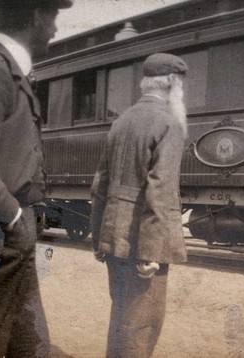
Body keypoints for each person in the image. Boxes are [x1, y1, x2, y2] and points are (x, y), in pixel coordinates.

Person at [0, 0, 72, 356]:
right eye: (54, 17)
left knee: (30, 344)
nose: (56, 29)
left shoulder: (11, 71)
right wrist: (11, 214)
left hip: (10, 236)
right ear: (37, 16)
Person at [90, 53, 189, 357]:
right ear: (172, 83)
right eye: (181, 85)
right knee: (142, 326)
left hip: (114, 240)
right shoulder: (168, 123)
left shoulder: (121, 121)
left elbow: (100, 185)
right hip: (143, 243)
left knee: (121, 319)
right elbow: (160, 193)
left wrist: (98, 238)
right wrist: (149, 252)